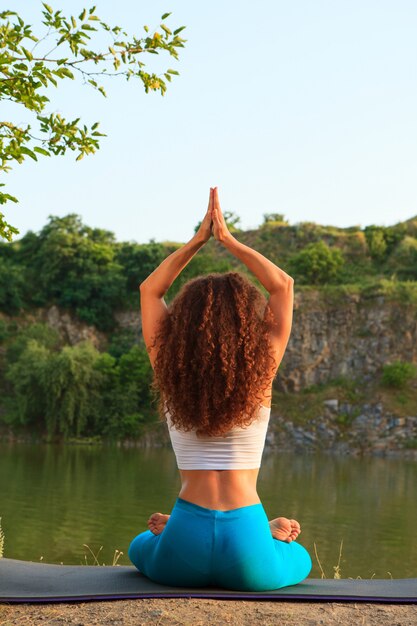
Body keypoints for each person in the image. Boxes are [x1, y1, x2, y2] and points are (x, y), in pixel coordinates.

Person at [128, 188, 312, 591]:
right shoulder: (260, 372)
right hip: (247, 545)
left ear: (185, 324)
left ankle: (173, 529)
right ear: (247, 325)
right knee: (300, 558)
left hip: (184, 541)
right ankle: (266, 532)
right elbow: (282, 286)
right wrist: (229, 240)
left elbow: (149, 291)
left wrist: (197, 240)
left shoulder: (171, 371)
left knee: (140, 545)